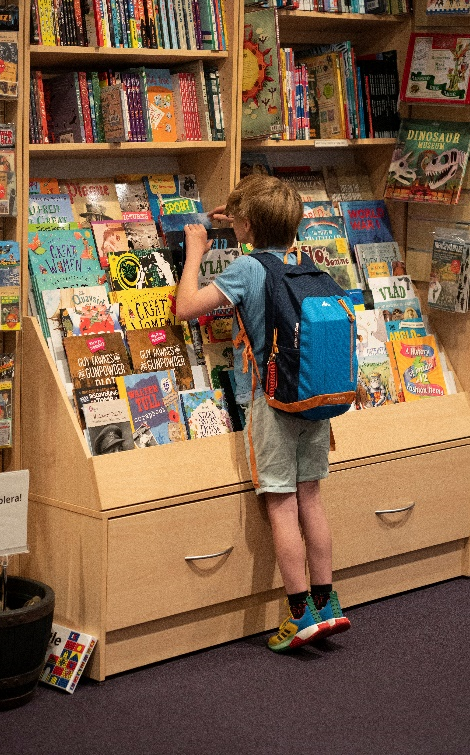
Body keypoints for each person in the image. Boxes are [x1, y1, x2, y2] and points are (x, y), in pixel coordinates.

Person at [176, 174, 351, 652]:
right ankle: (327, 602)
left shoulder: (248, 269)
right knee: (311, 499)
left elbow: (186, 307)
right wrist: (236, 219)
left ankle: (298, 616)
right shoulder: (305, 262)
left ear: (247, 227)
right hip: (315, 401)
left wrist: (195, 251)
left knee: (280, 504)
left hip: (270, 405)